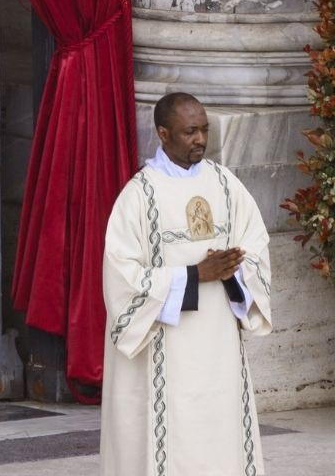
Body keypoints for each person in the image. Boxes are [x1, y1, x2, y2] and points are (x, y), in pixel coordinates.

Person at [100, 92, 272, 475]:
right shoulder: (138, 196)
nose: (200, 140)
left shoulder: (226, 185)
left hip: (219, 345)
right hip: (165, 344)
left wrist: (236, 269)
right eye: (189, 131)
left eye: (204, 130)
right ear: (163, 133)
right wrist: (195, 275)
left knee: (220, 432)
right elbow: (121, 277)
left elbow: (257, 244)